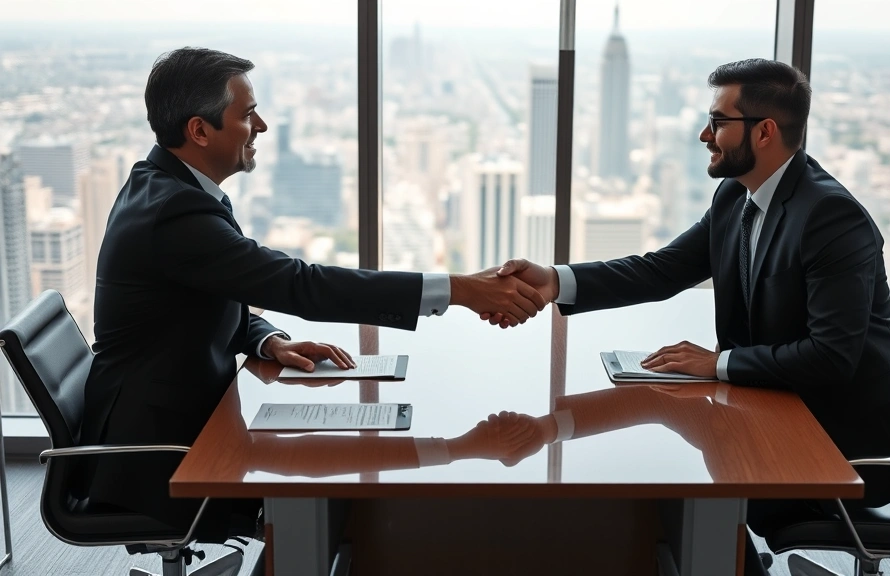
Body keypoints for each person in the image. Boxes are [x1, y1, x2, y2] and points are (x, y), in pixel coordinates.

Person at [485, 58, 890, 575]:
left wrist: (719, 363)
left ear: (765, 131)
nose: (705, 134)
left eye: (719, 122)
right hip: (788, 405)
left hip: (851, 439)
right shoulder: (737, 195)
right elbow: (662, 270)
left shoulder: (831, 219)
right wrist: (555, 281)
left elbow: (831, 357)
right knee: (675, 469)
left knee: (687, 483)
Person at [79, 47, 547, 546]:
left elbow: (200, 298)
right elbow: (300, 284)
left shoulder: (169, 189)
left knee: (346, 463)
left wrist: (268, 341)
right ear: (199, 130)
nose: (260, 125)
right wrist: (459, 290)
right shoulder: (176, 213)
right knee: (350, 487)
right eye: (247, 113)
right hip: (162, 456)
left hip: (191, 416)